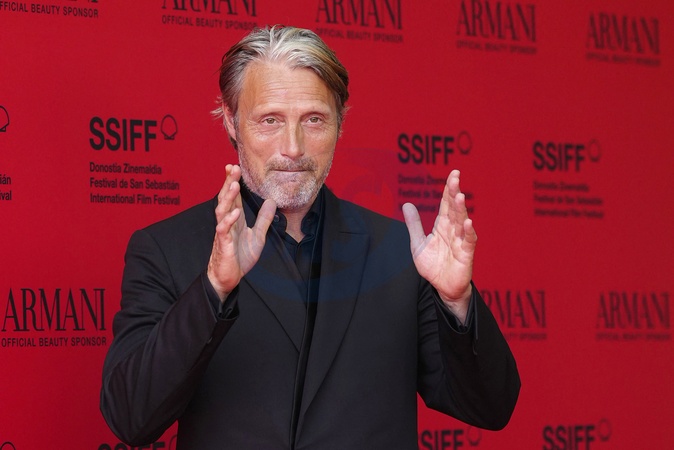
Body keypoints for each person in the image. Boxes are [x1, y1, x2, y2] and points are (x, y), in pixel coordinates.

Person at [100, 25, 520, 449]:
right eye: (270, 120)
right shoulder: (166, 249)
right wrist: (213, 290)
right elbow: (131, 418)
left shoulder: (399, 252)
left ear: (340, 123)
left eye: (313, 120)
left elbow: (490, 407)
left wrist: (456, 301)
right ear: (231, 120)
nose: (293, 147)